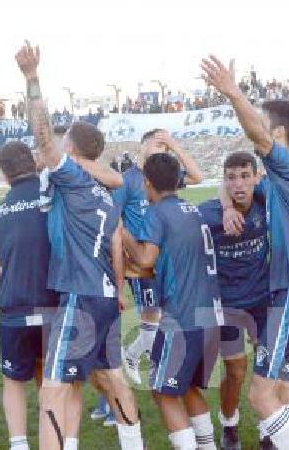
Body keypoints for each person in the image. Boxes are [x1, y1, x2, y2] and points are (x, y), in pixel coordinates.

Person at [16, 41, 144, 450]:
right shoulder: (105, 192)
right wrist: (121, 288)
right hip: (103, 296)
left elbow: (40, 136)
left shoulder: (72, 178)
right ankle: (133, 443)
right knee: (109, 378)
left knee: (52, 389)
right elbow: (116, 242)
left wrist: (32, 80)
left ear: (71, 151)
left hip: (80, 294)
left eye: (63, 142)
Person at [202, 57, 289, 450]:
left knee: (261, 395)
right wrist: (226, 205)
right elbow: (233, 183)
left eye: (262, 123)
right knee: (286, 392)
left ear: (276, 131)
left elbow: (256, 136)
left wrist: (231, 92)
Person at [121, 152, 223, 450]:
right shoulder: (192, 209)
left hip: (182, 317)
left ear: (146, 183)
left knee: (163, 391)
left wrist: (123, 232)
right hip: (210, 316)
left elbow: (144, 258)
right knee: (188, 387)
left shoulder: (157, 212)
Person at [115, 129, 204, 384]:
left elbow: (197, 176)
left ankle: (133, 355)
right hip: (142, 261)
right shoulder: (127, 180)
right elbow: (115, 217)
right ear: (141, 146)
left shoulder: (164, 176)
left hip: (166, 258)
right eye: (157, 144)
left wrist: (174, 146)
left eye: (164, 148)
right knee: (153, 318)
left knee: (162, 317)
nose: (161, 150)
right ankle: (160, 371)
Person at [0, 141, 59, 450]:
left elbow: (0, 256)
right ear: (33, 162)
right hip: (54, 302)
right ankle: (53, 441)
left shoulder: (0, 209)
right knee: (51, 381)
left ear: (4, 175)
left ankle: (19, 444)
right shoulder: (53, 195)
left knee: (13, 380)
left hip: (14, 304)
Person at [197, 152, 269, 450]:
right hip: (225, 305)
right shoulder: (207, 213)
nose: (238, 183)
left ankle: (269, 427)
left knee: (268, 369)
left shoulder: (267, 202)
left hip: (262, 302)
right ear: (223, 180)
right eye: (231, 177)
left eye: (244, 176)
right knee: (236, 371)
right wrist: (226, 207)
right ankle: (229, 424)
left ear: (256, 177)